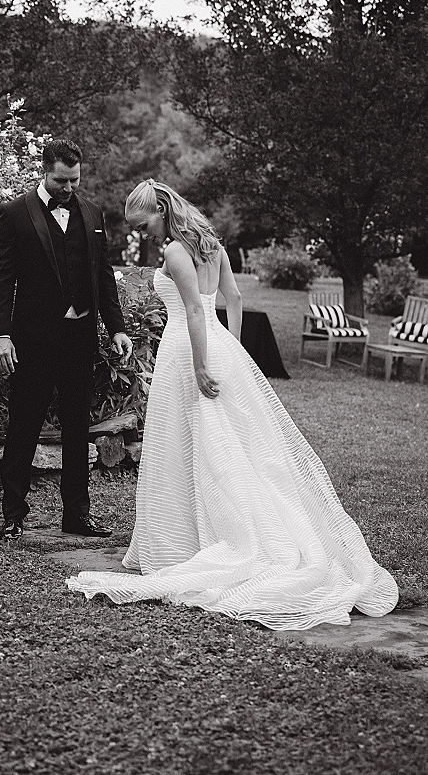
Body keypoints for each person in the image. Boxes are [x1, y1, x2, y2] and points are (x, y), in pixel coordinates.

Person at [66, 180, 398, 630]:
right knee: (215, 442)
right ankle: (193, 531)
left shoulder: (177, 253)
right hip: (216, 346)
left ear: (162, 211)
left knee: (197, 445)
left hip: (189, 351)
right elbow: (234, 301)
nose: (143, 234)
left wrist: (204, 364)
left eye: (144, 225)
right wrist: (232, 350)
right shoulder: (213, 247)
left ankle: (195, 541)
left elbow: (196, 312)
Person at [0, 139, 132, 541]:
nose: (68, 189)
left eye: (75, 181)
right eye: (60, 181)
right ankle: (14, 516)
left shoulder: (91, 212)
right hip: (31, 340)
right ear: (44, 170)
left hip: (79, 337)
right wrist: (0, 334)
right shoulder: (15, 213)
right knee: (24, 427)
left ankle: (77, 516)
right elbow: (2, 280)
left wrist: (117, 327)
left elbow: (103, 276)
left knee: (76, 428)